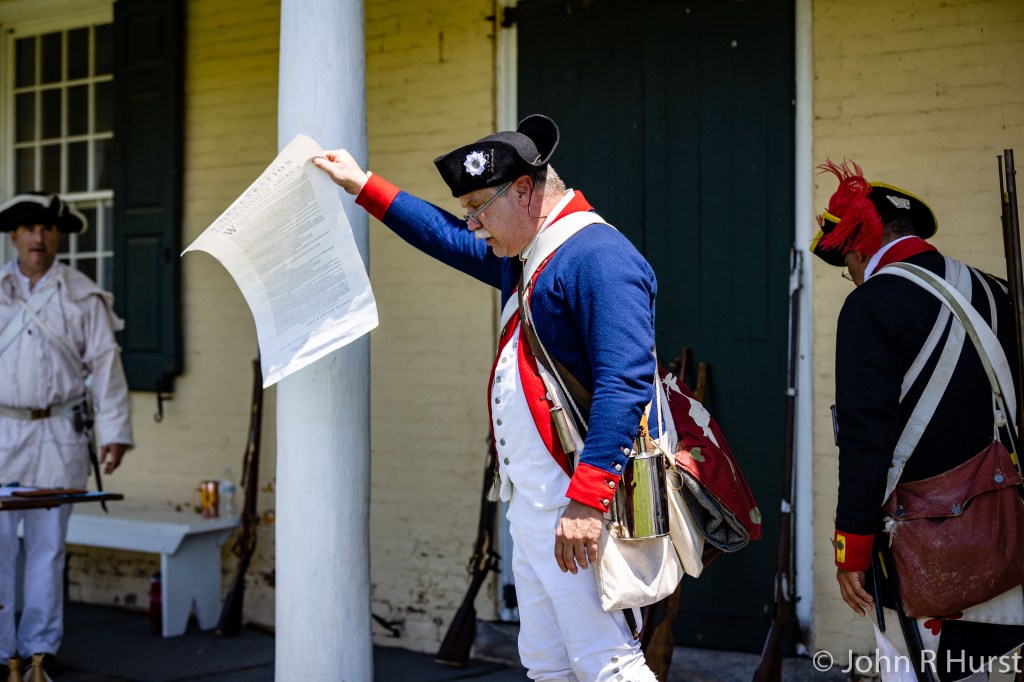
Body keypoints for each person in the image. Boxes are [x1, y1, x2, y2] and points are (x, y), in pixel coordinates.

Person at [313, 115, 659, 681]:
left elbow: (625, 383)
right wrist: (363, 184)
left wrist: (588, 499)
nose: (472, 225)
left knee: (608, 663)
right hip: (535, 503)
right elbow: (444, 236)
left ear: (524, 191)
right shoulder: (530, 253)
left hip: (575, 500)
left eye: (478, 207)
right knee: (547, 664)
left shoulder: (598, 255)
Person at [811, 160, 1024, 681]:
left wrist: (852, 546)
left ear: (860, 246)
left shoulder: (870, 304)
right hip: (1003, 528)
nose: (851, 274)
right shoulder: (997, 292)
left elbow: (866, 439)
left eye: (847, 262)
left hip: (921, 543)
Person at [0, 193, 133, 681]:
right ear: (14, 235)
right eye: (29, 228)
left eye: (47, 228)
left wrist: (114, 431)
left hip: (60, 432)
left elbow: (105, 365)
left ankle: (39, 650)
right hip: (2, 431)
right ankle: (2, 652)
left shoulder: (82, 295)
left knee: (48, 547)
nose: (38, 237)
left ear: (57, 235)